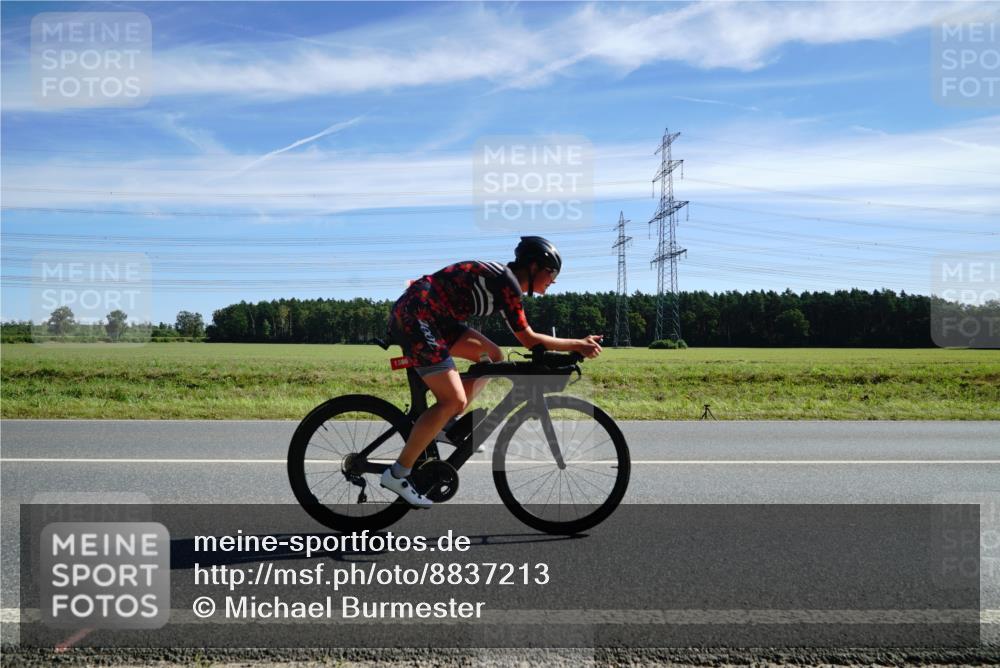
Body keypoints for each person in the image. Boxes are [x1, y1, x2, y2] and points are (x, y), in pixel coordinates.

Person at [382, 236, 603, 508]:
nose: (554, 280)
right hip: (418, 316)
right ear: (533, 268)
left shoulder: (506, 282)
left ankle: (444, 423)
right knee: (453, 399)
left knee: (493, 356)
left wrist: (572, 347)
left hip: (436, 318)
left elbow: (526, 339)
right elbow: (529, 339)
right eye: (552, 272)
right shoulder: (508, 282)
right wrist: (577, 344)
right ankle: (398, 473)